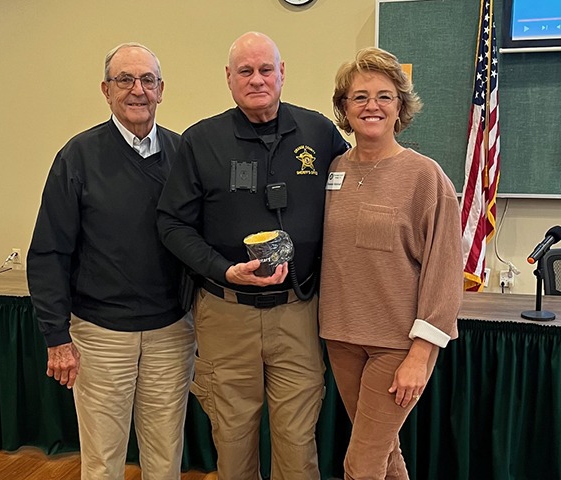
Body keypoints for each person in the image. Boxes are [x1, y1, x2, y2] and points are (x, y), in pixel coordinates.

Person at [157, 31, 347, 480]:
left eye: (266, 69)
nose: (257, 79)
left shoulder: (319, 131)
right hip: (226, 315)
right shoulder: (201, 141)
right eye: (246, 71)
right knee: (233, 439)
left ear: (283, 73)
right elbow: (171, 224)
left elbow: (355, 190)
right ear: (229, 78)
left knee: (299, 444)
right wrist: (223, 269)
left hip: (298, 311)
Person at [27, 43, 195, 480]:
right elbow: (48, 252)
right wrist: (56, 336)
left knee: (165, 458)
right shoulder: (77, 157)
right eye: (125, 80)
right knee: (102, 462)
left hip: (172, 334)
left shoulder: (183, 156)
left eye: (147, 80)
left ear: (162, 90)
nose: (137, 90)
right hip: (100, 337)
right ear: (106, 90)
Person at [320, 47, 462, 479]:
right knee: (385, 454)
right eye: (360, 97)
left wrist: (421, 354)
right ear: (344, 108)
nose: (372, 106)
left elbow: (444, 271)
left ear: (400, 105)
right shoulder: (334, 171)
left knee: (360, 464)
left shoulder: (426, 177)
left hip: (395, 346)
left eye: (384, 96)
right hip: (341, 338)